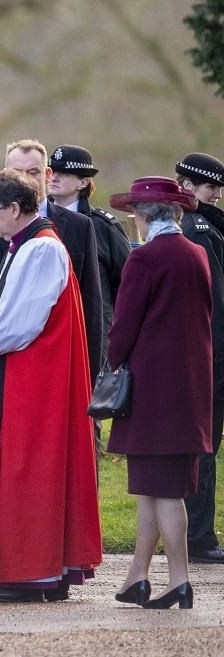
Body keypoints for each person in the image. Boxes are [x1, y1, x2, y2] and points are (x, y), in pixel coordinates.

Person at [0, 170, 102, 603]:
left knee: (25, 471)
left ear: (16, 208)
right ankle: (28, 573)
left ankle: (28, 574)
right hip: (24, 375)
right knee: (17, 470)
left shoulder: (41, 249)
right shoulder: (24, 246)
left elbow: (20, 321)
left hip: (35, 381)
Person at [106, 176, 212, 609]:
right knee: (152, 486)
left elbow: (124, 324)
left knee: (165, 490)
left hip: (152, 388)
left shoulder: (145, 257)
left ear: (140, 216)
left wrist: (111, 360)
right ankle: (138, 576)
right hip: (190, 384)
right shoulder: (196, 253)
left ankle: (180, 580)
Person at [0, 139, 104, 383]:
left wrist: (89, 376)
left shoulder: (72, 229)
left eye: (33, 172)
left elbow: (90, 307)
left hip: (46, 364)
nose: (24, 179)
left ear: (47, 175)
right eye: (16, 172)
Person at [48, 145, 133, 464]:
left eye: (64, 173)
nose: (54, 177)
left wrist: (113, 333)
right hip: (47, 335)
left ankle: (88, 491)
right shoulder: (35, 218)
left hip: (90, 335)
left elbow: (127, 283)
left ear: (84, 182)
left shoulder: (102, 226)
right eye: (52, 171)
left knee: (86, 424)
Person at [176, 152, 224, 564]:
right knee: (204, 450)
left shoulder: (205, 226)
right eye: (211, 187)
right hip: (211, 357)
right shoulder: (199, 230)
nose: (216, 195)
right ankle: (199, 537)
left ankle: (198, 534)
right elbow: (214, 304)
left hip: (209, 355)